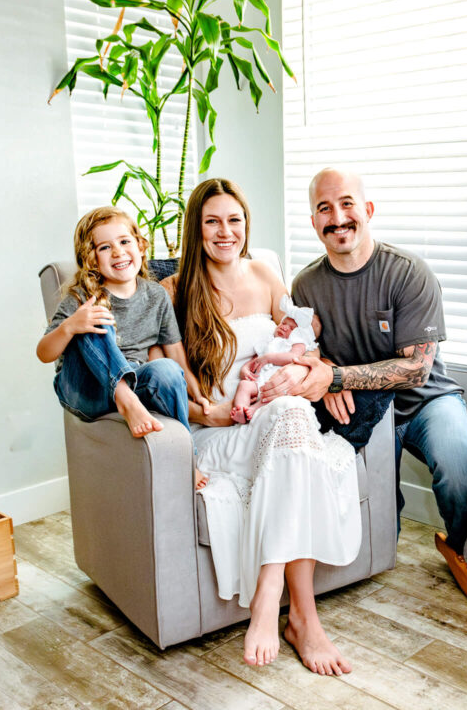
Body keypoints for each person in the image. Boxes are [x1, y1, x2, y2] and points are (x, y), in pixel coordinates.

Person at [162, 178, 361, 676]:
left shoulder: (267, 275)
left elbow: (298, 343)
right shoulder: (173, 292)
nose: (225, 231)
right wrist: (209, 413)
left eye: (234, 220)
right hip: (220, 432)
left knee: (293, 416)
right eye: (212, 221)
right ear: (196, 229)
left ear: (246, 225)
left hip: (274, 416)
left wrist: (310, 373)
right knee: (295, 432)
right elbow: (165, 386)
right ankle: (305, 621)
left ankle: (271, 600)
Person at [262, 168, 467, 554]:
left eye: (346, 204)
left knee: (459, 468)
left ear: (367, 209)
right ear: (314, 221)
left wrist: (336, 378)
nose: (337, 218)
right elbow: (309, 347)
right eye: (324, 208)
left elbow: (417, 368)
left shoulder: (409, 272)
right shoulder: (305, 285)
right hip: (364, 411)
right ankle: (378, 555)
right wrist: (326, 367)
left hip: (427, 402)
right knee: (379, 517)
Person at [37, 206, 209, 489]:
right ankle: (126, 399)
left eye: (125, 241)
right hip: (84, 388)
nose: (118, 252)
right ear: (91, 259)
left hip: (134, 377)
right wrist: (71, 326)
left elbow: (175, 352)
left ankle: (185, 458)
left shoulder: (156, 295)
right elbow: (44, 353)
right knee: (95, 316)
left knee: (166, 369)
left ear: (140, 246)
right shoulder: (83, 297)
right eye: (105, 247)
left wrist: (198, 393)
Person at [231, 296, 319, 424]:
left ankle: (254, 409)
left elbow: (292, 358)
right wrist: (245, 369)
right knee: (244, 385)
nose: (284, 327)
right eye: (283, 323)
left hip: (277, 382)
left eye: (292, 328)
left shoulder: (298, 344)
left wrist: (269, 358)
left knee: (277, 397)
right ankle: (241, 409)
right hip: (259, 381)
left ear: (302, 334)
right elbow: (257, 359)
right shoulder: (271, 342)